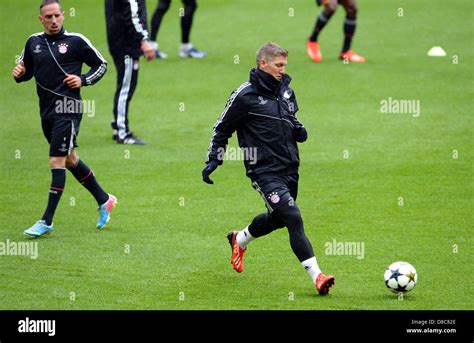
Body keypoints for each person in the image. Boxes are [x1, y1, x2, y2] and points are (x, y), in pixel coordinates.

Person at [202, 43, 335, 295]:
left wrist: (298, 128)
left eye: (284, 65)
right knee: (293, 218)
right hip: (263, 172)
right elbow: (222, 128)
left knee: (278, 219)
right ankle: (318, 277)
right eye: (278, 65)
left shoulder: (286, 92)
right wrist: (214, 159)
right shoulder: (244, 95)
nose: (283, 71)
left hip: (290, 168)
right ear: (263, 63)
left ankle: (238, 239)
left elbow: (292, 117)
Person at [13, 0, 116, 237]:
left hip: (68, 109)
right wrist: (19, 74)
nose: (53, 20)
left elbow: (101, 65)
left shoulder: (76, 41)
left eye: (57, 15)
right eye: (48, 17)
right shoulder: (33, 42)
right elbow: (26, 71)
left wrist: (83, 80)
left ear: (63, 15)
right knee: (69, 159)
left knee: (56, 161)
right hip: (46, 111)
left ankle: (46, 221)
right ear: (41, 19)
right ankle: (104, 199)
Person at [105, 0, 155, 145]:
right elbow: (133, 15)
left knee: (124, 86)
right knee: (125, 88)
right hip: (126, 44)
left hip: (119, 41)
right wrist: (143, 40)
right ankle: (123, 133)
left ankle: (117, 125)